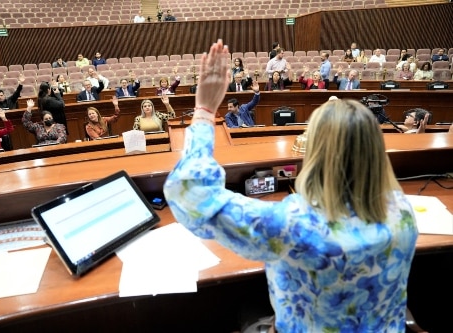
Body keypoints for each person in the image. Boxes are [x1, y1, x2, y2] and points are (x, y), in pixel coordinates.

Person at [163, 39, 418, 333]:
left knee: (243, 307)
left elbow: (190, 192)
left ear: (316, 152)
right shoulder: (403, 211)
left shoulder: (294, 224)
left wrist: (205, 111)